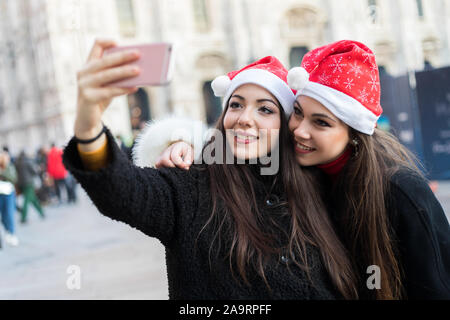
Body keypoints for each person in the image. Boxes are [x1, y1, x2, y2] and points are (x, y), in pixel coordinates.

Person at [62, 39, 359, 300]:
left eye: (265, 109)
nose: (244, 118)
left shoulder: (315, 186)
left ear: (286, 124)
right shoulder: (192, 184)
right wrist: (88, 126)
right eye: (236, 104)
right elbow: (122, 191)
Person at [152, 40, 450, 299]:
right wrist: (183, 141)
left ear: (354, 134)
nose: (299, 130)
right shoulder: (300, 170)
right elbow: (238, 145)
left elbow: (434, 285)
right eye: (297, 113)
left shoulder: (399, 190)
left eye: (320, 123)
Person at [15, 151, 45, 223]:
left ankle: (41, 212)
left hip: (21, 184)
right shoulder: (27, 162)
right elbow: (34, 172)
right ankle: (23, 217)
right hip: (28, 183)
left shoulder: (17, 162)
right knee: (27, 200)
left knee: (33, 198)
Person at [0, 150, 19, 246]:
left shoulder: (9, 167)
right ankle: (7, 231)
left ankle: (11, 233)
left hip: (8, 193)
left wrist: (2, 172)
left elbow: (13, 178)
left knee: (8, 213)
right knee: (3, 217)